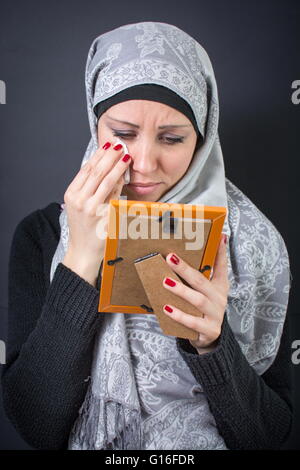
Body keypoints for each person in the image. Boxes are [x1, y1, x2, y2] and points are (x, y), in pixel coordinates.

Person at [1, 21, 293, 450]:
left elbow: (267, 435)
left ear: (203, 138)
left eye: (172, 138)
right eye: (121, 134)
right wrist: (81, 260)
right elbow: (35, 426)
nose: (143, 163)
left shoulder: (253, 244)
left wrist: (212, 344)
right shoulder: (42, 234)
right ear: (95, 124)